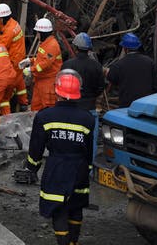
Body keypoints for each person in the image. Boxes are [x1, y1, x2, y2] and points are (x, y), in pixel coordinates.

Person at [26, 69, 95, 245]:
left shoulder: (45, 116)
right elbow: (88, 149)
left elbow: (36, 147)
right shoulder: (87, 119)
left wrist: (32, 167)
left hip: (57, 167)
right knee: (76, 206)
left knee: (59, 210)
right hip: (79, 168)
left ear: (57, 92)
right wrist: (87, 168)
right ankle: (74, 242)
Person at [106, 32, 157, 108]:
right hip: (147, 106)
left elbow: (111, 78)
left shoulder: (119, 65)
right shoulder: (150, 62)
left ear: (125, 49)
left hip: (127, 107)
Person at [20, 18, 63, 111]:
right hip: (40, 81)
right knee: (35, 107)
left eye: (38, 33)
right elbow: (41, 59)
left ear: (43, 33)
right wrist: (30, 60)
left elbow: (45, 64)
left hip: (48, 82)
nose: (37, 35)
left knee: (48, 109)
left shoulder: (52, 45)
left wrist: (31, 69)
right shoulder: (45, 43)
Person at [0, 3, 29, 109]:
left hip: (13, 61)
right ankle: (23, 103)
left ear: (4, 17)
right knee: (19, 82)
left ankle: (7, 115)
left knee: (5, 95)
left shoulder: (9, 30)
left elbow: (1, 45)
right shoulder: (13, 23)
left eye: (0, 19)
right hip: (18, 59)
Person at [62, 33, 104, 111]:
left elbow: (62, 87)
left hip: (71, 106)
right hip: (89, 106)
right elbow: (101, 87)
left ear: (75, 47)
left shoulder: (67, 64)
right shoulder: (97, 66)